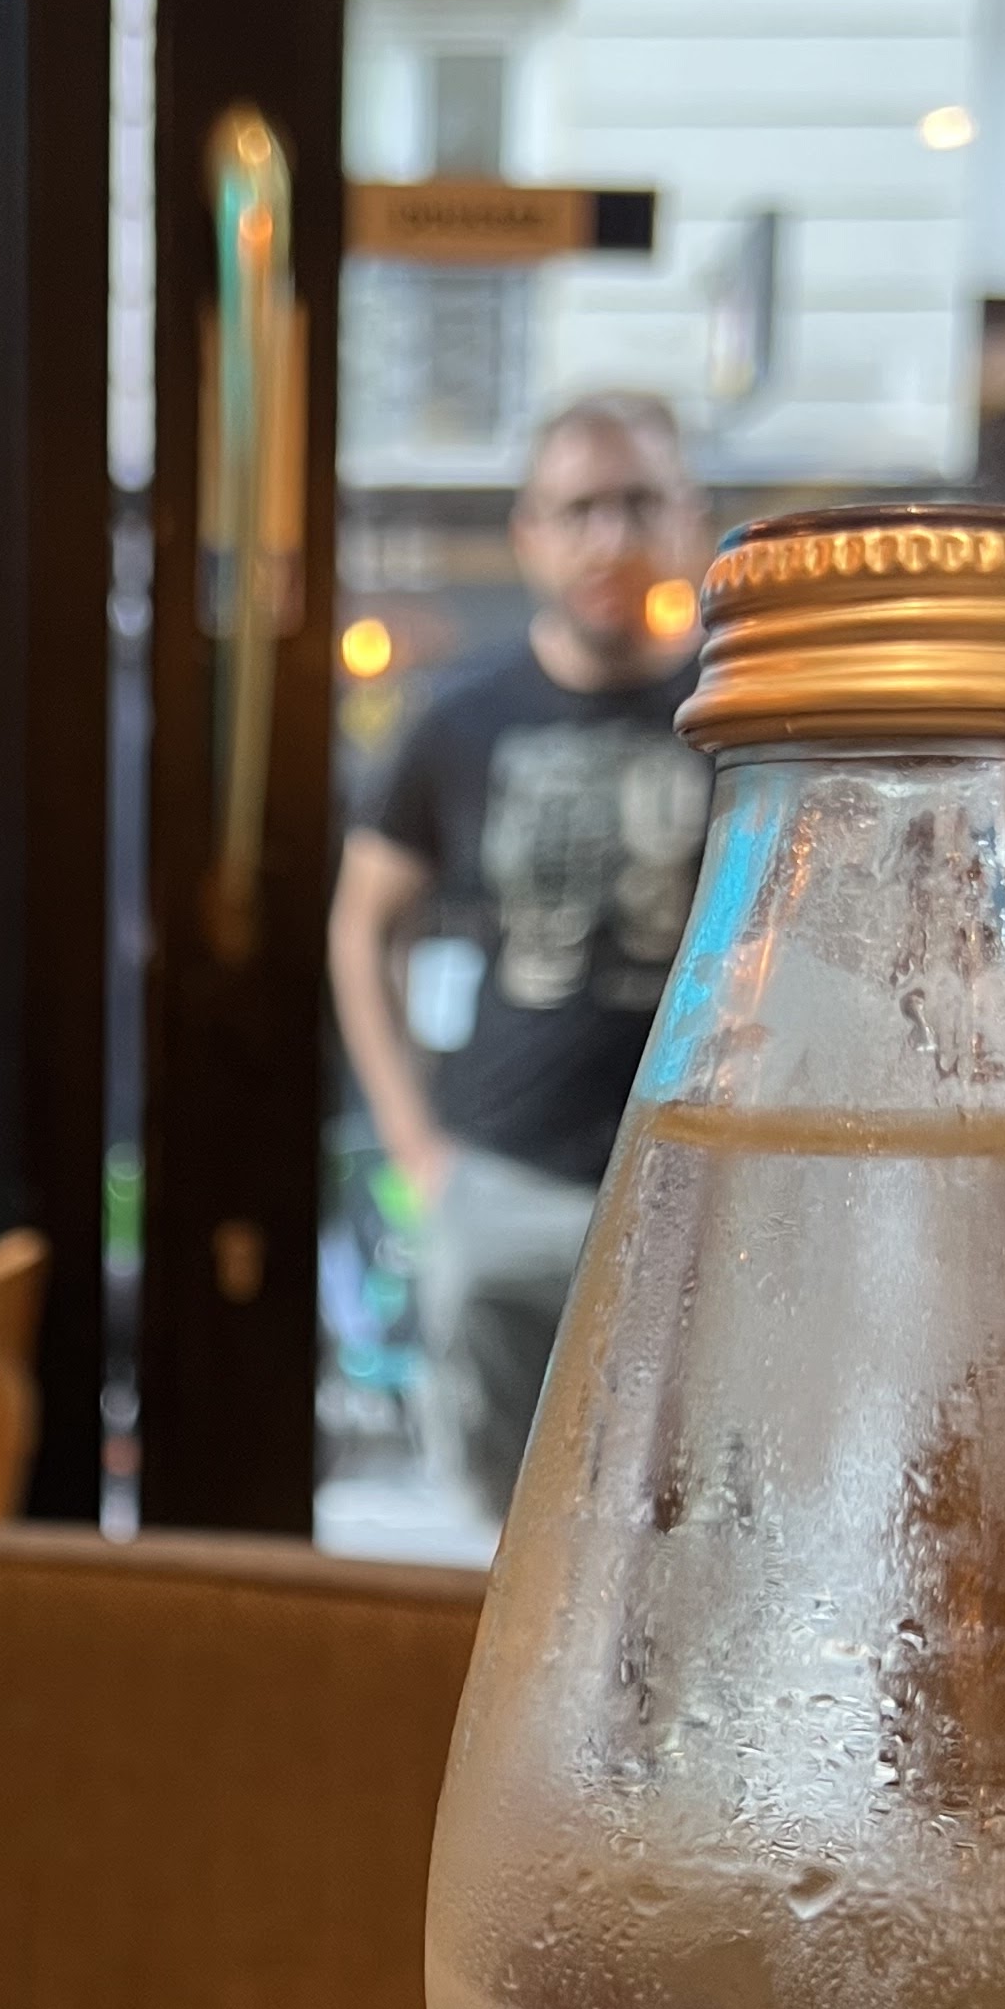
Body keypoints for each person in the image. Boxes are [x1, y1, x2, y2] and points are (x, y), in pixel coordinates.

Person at [328, 391, 709, 1522]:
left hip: (697, 1185)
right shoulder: (460, 720)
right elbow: (362, 926)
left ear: (687, 518)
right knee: (502, 1536)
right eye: (578, 509)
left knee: (675, 1523)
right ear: (529, 536)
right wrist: (418, 1152)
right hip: (505, 1176)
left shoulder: (737, 716)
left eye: (638, 503)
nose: (610, 537)